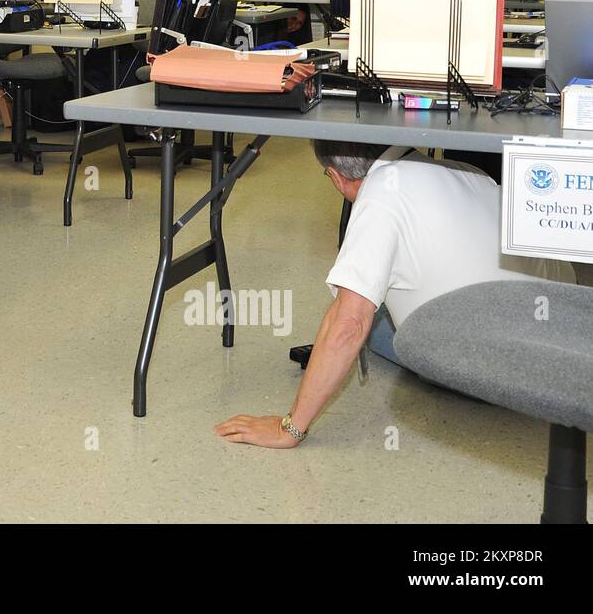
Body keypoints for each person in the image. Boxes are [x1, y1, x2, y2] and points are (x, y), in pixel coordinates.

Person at [215, 140, 574, 449]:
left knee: (366, 323)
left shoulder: (380, 198)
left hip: (499, 373)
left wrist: (288, 428)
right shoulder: (463, 170)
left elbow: (349, 324)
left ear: (335, 176)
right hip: (559, 331)